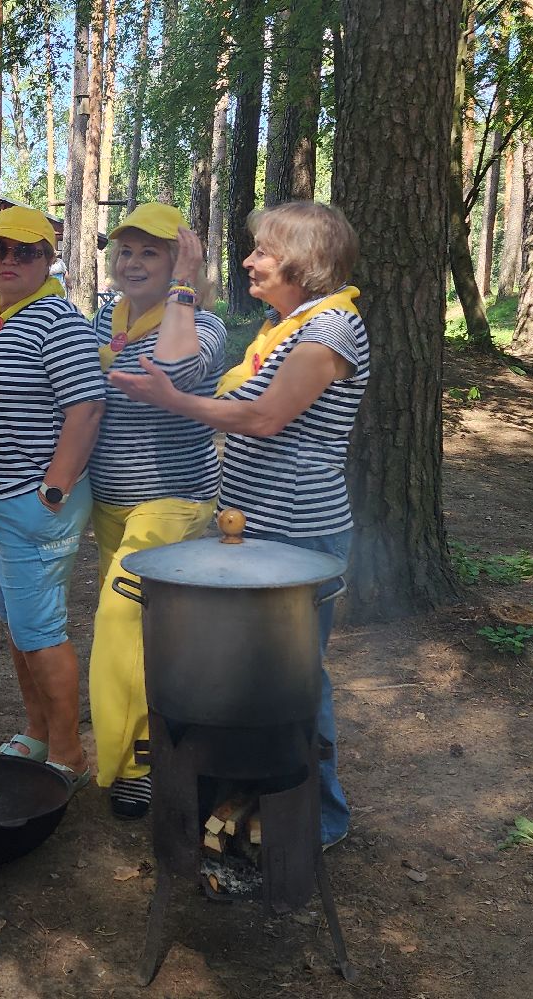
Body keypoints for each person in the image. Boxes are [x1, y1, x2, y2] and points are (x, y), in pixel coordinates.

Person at [108, 200, 369, 849]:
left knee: (298, 677)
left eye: (263, 253)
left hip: (300, 537)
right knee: (256, 676)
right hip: (258, 536)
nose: (249, 261)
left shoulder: (330, 330)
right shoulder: (285, 328)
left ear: (303, 264)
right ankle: (252, 799)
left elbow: (265, 419)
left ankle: (323, 817)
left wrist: (172, 402)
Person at [0, 207, 106, 788]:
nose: (9, 260)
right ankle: (38, 732)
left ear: (49, 258)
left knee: (39, 628)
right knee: (20, 625)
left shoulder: (56, 320)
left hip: (35, 500)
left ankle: (68, 752)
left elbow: (86, 408)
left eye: (26, 251)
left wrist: (54, 488)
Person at [86, 203, 228, 820]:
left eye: (152, 251)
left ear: (179, 260)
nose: (134, 262)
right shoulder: (103, 319)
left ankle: (136, 767)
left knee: (118, 628)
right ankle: (165, 743)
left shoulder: (207, 324)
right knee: (145, 638)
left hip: (172, 501)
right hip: (111, 501)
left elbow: (173, 370)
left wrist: (184, 288)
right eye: (127, 251)